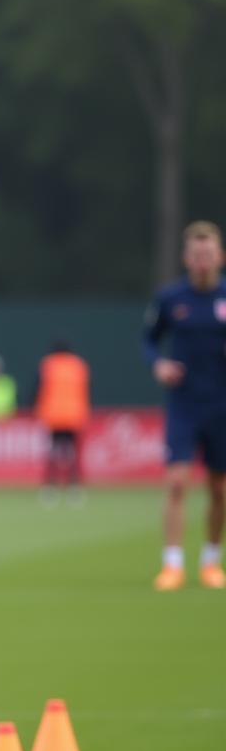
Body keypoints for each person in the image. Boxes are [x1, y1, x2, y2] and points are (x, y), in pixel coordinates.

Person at [145, 220, 226, 592]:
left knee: (219, 489)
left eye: (208, 254)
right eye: (196, 254)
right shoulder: (170, 298)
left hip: (221, 404)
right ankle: (172, 564)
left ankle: (211, 560)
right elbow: (149, 339)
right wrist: (157, 364)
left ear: (219, 256)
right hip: (184, 405)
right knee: (177, 482)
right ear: (186, 258)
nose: (202, 261)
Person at [34, 341, 90, 504]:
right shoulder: (78, 365)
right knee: (71, 452)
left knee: (53, 451)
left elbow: (38, 386)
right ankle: (74, 487)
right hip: (74, 414)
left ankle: (50, 487)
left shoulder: (48, 364)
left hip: (53, 414)